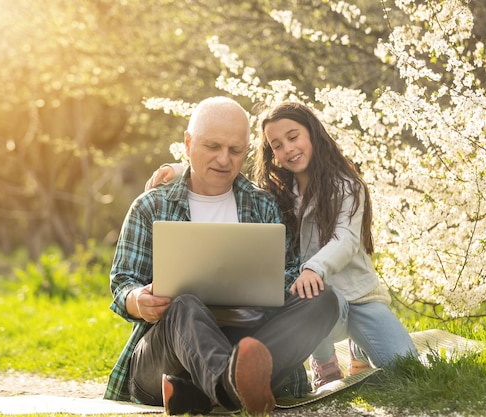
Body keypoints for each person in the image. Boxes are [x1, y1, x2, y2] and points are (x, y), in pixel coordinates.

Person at [147, 101, 418, 390]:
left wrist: (314, 268)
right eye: (276, 145)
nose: (287, 149)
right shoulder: (276, 192)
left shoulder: (347, 186)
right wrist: (178, 169)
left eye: (293, 137)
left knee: (407, 369)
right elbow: (227, 173)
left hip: (358, 297)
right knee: (316, 298)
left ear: (313, 133)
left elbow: (346, 239)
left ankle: (359, 348)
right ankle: (324, 362)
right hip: (317, 299)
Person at [104, 96, 339, 416]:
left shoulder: (264, 205)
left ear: (247, 150)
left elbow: (288, 272)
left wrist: (270, 285)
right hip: (168, 354)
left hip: (248, 335)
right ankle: (233, 390)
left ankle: (207, 395)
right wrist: (138, 300)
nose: (224, 160)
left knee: (322, 299)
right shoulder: (151, 206)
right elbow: (122, 282)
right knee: (185, 302)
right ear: (187, 144)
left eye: (235, 150)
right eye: (212, 147)